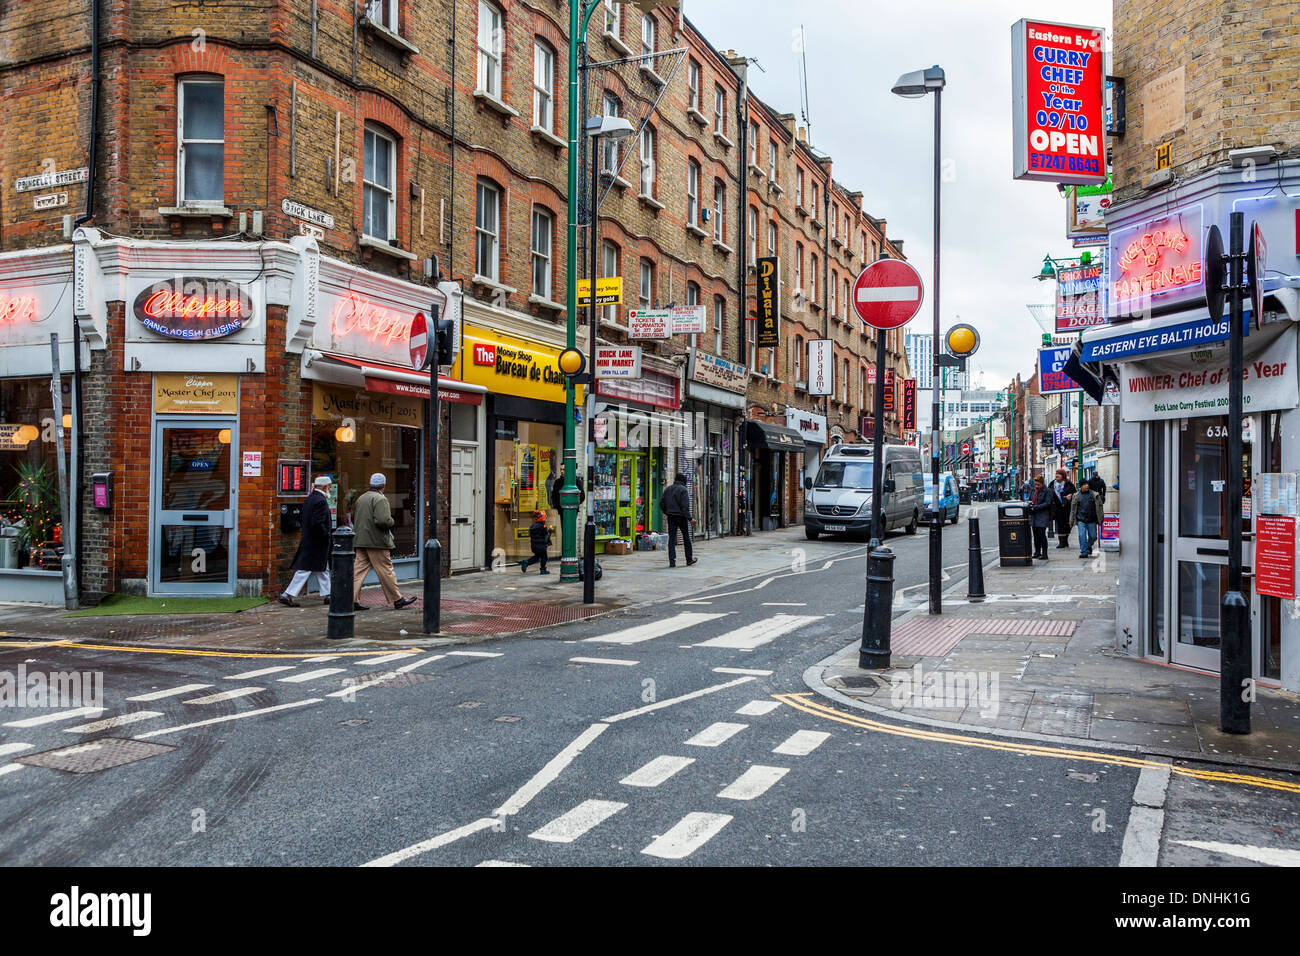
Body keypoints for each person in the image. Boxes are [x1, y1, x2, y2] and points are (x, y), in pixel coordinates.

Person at [351, 473, 417, 610]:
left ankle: (350, 600)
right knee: (386, 570)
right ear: (384, 485)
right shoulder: (380, 499)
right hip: (376, 541)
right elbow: (383, 520)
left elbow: (354, 518)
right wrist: (392, 520)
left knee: (357, 572)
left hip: (360, 540)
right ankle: (397, 599)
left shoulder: (361, 498)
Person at [278, 475, 334, 607]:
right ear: (325, 486)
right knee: (305, 569)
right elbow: (317, 523)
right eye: (330, 486)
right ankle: (287, 594)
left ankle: (329, 595)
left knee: (322, 569)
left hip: (310, 540)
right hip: (317, 542)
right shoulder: (320, 501)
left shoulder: (309, 499)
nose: (330, 489)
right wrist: (326, 534)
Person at [660, 472, 696, 567]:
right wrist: (690, 519)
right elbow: (685, 507)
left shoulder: (668, 489)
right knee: (686, 538)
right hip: (681, 517)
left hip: (671, 516)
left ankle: (672, 561)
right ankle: (689, 559)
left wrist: (667, 512)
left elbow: (661, 503)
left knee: (671, 539)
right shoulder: (683, 490)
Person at [1070, 475, 1104, 558]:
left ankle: (1088, 546)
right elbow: (1073, 509)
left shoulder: (1095, 495)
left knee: (1093, 536)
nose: (1087, 486)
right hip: (1081, 519)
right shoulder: (1076, 496)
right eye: (1085, 484)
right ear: (1081, 486)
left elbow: (1100, 507)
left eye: (1087, 484)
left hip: (1091, 519)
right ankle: (1083, 552)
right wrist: (1071, 520)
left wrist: (1101, 518)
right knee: (1082, 536)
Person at [1048, 468, 1076, 549]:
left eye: (1059, 474)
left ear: (1063, 476)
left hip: (1067, 507)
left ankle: (1065, 540)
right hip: (1057, 508)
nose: (1057, 476)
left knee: (1067, 525)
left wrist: (1070, 496)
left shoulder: (1069, 484)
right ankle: (1061, 542)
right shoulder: (1052, 484)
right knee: (1059, 525)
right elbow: (1049, 493)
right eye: (1056, 474)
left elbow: (1075, 493)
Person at [1028, 474, 1052, 560]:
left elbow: (1047, 503)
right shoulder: (1033, 490)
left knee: (1041, 534)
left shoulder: (1047, 491)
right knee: (1035, 535)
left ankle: (1044, 554)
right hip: (1034, 515)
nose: (1037, 486)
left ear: (1042, 483)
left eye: (1038, 485)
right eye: (1035, 484)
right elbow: (1030, 499)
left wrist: (1036, 507)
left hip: (1042, 515)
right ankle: (1037, 552)